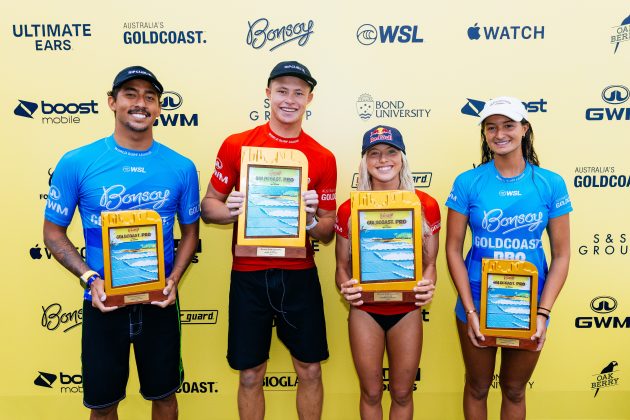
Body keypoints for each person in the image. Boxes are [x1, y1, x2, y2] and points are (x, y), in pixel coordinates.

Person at [43, 65, 200, 420]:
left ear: (159, 108)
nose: (140, 103)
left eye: (150, 96)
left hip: (159, 303)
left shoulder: (181, 167)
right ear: (112, 103)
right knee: (103, 406)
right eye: (130, 94)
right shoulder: (77, 162)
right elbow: (53, 233)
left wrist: (173, 279)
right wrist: (89, 279)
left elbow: (191, 233)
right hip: (102, 304)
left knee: (164, 398)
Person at [200, 61, 337, 420]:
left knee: (309, 370)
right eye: (282, 90)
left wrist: (309, 220)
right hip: (248, 273)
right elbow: (208, 206)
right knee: (249, 375)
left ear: (309, 98)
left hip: (298, 275)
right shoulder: (237, 145)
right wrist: (229, 210)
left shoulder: (322, 157)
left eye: (298, 92)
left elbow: (327, 230)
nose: (289, 99)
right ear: (267, 93)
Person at [445, 97, 572, 419]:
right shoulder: (468, 182)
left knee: (514, 390)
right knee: (477, 386)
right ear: (485, 134)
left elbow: (562, 254)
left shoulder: (550, 183)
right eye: (491, 127)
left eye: (508, 125)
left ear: (525, 129)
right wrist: (470, 311)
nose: (499, 133)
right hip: (475, 301)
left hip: (528, 304)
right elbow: (452, 249)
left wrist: (543, 312)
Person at [335, 125, 441, 420]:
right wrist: (347, 287)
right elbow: (341, 268)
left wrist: (427, 285)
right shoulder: (349, 208)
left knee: (403, 392)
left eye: (391, 152)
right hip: (365, 310)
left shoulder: (426, 205)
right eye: (374, 154)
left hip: (406, 309)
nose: (383, 160)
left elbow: (430, 264)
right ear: (365, 162)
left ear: (402, 158)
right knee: (370, 392)